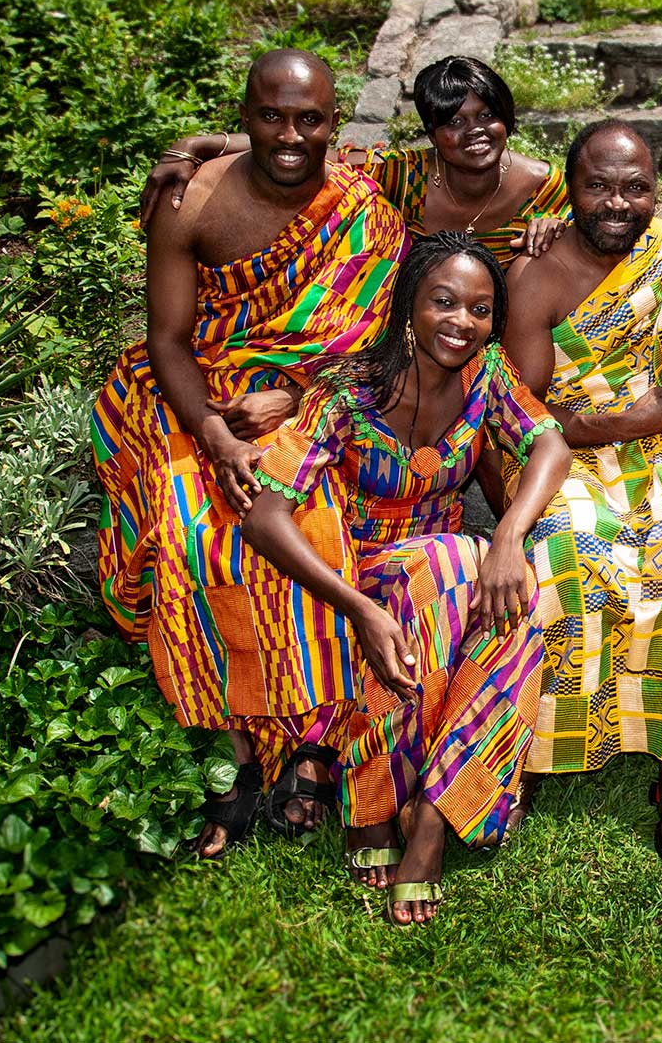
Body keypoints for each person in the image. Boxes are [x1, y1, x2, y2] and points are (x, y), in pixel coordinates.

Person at [91, 49, 407, 856]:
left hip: (309, 384)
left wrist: (297, 393)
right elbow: (165, 340)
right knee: (191, 520)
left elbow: (364, 339)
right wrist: (214, 431)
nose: (291, 135)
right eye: (271, 116)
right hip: (196, 388)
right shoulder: (187, 201)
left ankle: (308, 735)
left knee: (312, 508)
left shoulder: (361, 205)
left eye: (310, 119)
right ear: (246, 115)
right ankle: (233, 744)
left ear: (335, 124)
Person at [241, 233, 571, 925]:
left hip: (441, 563)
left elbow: (550, 442)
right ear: (408, 307)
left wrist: (509, 535)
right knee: (455, 567)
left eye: (481, 310)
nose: (462, 323)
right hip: (353, 573)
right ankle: (383, 799)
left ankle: (425, 815)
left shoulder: (487, 375)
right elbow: (266, 515)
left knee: (517, 591)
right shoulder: (350, 391)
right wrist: (359, 607)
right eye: (444, 302)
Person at [503, 120, 662, 874]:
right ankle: (539, 749)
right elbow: (523, 410)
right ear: (568, 187)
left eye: (636, 187)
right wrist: (619, 420)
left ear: (658, 190)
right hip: (573, 448)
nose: (618, 203)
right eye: (598, 185)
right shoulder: (537, 275)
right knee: (566, 548)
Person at [139, 55, 570, 263]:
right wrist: (198, 145)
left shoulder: (547, 188)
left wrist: (561, 230)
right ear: (432, 133)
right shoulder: (405, 177)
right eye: (453, 121)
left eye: (487, 115)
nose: (474, 131)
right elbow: (305, 147)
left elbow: (595, 244)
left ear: (508, 120)